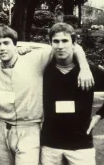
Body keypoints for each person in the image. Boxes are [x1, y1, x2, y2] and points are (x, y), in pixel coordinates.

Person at [0, 25, 93, 165]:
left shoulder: (35, 59)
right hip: (2, 128)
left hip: (29, 129)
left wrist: (85, 67)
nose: (2, 48)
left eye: (6, 43)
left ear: (15, 45)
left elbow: (72, 46)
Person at [40, 23, 104, 165]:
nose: (60, 46)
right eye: (56, 41)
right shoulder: (44, 71)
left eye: (65, 41)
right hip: (50, 144)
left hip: (81, 144)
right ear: (50, 43)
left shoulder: (89, 71)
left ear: (74, 43)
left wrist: (99, 115)